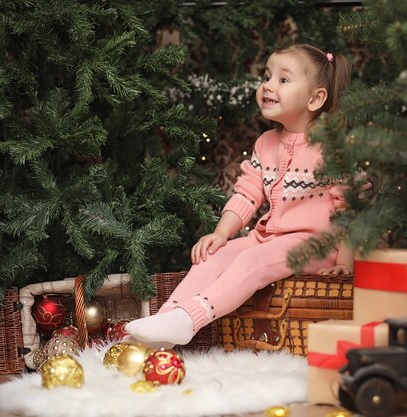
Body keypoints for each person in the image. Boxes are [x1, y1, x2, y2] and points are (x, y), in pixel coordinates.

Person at [125, 43, 355, 346]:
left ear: (315, 98)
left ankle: (190, 319)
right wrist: (221, 233)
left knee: (253, 262)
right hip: (269, 238)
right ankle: (166, 323)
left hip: (312, 245)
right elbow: (247, 193)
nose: (268, 86)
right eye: (268, 76)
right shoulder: (266, 142)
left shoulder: (331, 148)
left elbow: (353, 208)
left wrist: (347, 263)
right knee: (214, 255)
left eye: (283, 80)